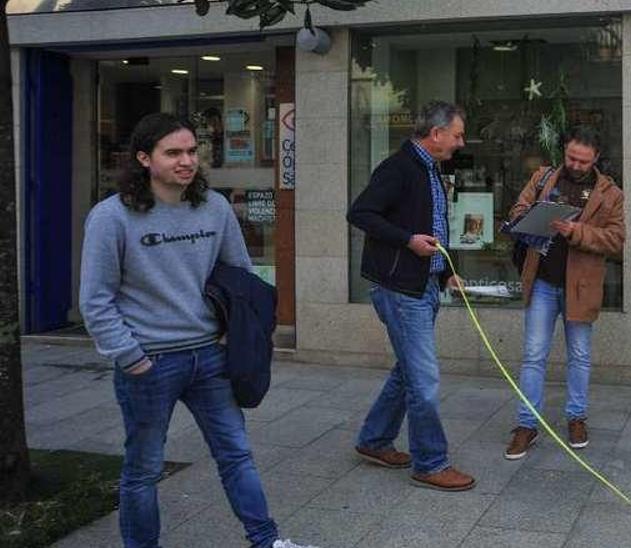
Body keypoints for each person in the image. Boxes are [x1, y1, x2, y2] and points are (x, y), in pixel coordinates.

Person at [79, 113, 313, 548]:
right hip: (149, 363)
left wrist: (228, 335)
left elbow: (239, 276)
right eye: (173, 153)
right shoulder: (111, 218)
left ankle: (267, 542)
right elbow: (95, 300)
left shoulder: (215, 207)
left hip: (209, 357)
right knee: (144, 470)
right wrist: (132, 357)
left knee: (236, 454)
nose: (187, 161)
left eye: (191, 151)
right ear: (144, 158)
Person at [347, 101, 475, 491]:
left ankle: (373, 440)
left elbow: (435, 227)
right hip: (401, 290)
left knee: (407, 371)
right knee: (424, 381)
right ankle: (431, 462)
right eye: (457, 135)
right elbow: (361, 213)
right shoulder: (398, 168)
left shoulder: (431, 168)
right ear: (436, 135)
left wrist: (448, 272)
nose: (460, 142)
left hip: (425, 286)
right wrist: (406, 241)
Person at [503, 126, 626, 460]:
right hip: (541, 280)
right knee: (533, 356)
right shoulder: (544, 178)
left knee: (580, 356)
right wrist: (533, 218)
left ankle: (576, 418)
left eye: (583, 160)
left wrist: (576, 231)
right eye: (571, 157)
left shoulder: (609, 192)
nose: (575, 164)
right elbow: (517, 210)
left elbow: (616, 239)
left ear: (595, 159)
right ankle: (526, 425)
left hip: (581, 286)